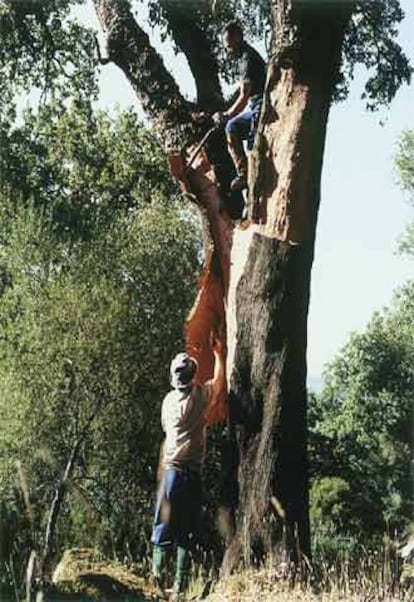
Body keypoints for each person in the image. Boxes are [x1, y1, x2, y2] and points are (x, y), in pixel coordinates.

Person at [151, 339, 225, 600]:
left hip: (170, 472)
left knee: (163, 526)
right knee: (185, 530)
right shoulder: (198, 396)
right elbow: (218, 382)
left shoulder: (168, 402)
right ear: (192, 376)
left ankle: (156, 579)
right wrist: (219, 354)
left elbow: (165, 428)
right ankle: (180, 588)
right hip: (192, 474)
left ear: (173, 378)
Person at [214, 22, 267, 192]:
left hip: (262, 107)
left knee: (250, 143)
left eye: (229, 44)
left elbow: (244, 96)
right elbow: (240, 92)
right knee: (232, 127)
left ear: (237, 37)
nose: (228, 49)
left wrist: (227, 114)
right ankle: (244, 173)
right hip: (255, 107)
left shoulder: (247, 59)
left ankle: (251, 176)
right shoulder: (244, 57)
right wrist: (224, 111)